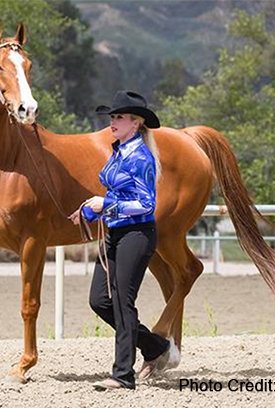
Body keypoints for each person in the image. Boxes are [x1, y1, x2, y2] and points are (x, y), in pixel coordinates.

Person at [69, 90, 178, 390]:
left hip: (136, 235)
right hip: (115, 232)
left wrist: (104, 206)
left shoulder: (142, 157)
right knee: (99, 301)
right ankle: (154, 346)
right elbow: (117, 195)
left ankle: (123, 375)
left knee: (122, 303)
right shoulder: (119, 151)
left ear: (136, 123)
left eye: (119, 117)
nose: (113, 122)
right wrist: (91, 212)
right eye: (113, 116)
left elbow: (146, 205)